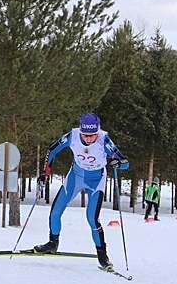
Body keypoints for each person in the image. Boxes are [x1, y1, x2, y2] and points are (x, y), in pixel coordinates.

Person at [34, 113, 129, 270]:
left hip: (96, 180)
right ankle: (52, 243)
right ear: (81, 130)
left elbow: (125, 163)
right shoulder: (73, 136)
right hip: (75, 177)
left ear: (97, 131)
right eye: (86, 135)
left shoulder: (104, 139)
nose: (89, 139)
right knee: (55, 211)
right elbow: (52, 150)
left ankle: (102, 256)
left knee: (92, 218)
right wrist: (46, 173)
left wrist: (117, 163)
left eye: (93, 135)